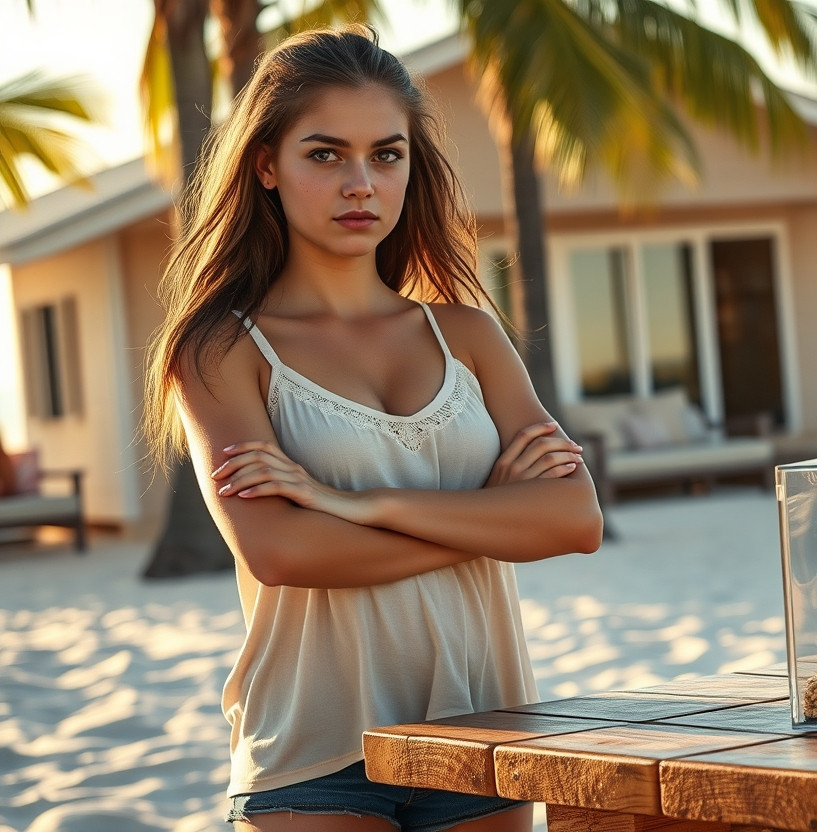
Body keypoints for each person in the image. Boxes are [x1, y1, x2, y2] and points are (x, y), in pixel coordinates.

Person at [141, 26, 602, 831]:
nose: (362, 183)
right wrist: (492, 522)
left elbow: (573, 519)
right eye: (326, 154)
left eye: (386, 155)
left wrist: (349, 503)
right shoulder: (220, 348)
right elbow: (283, 552)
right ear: (266, 165)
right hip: (316, 752)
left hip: (485, 734)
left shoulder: (467, 336)